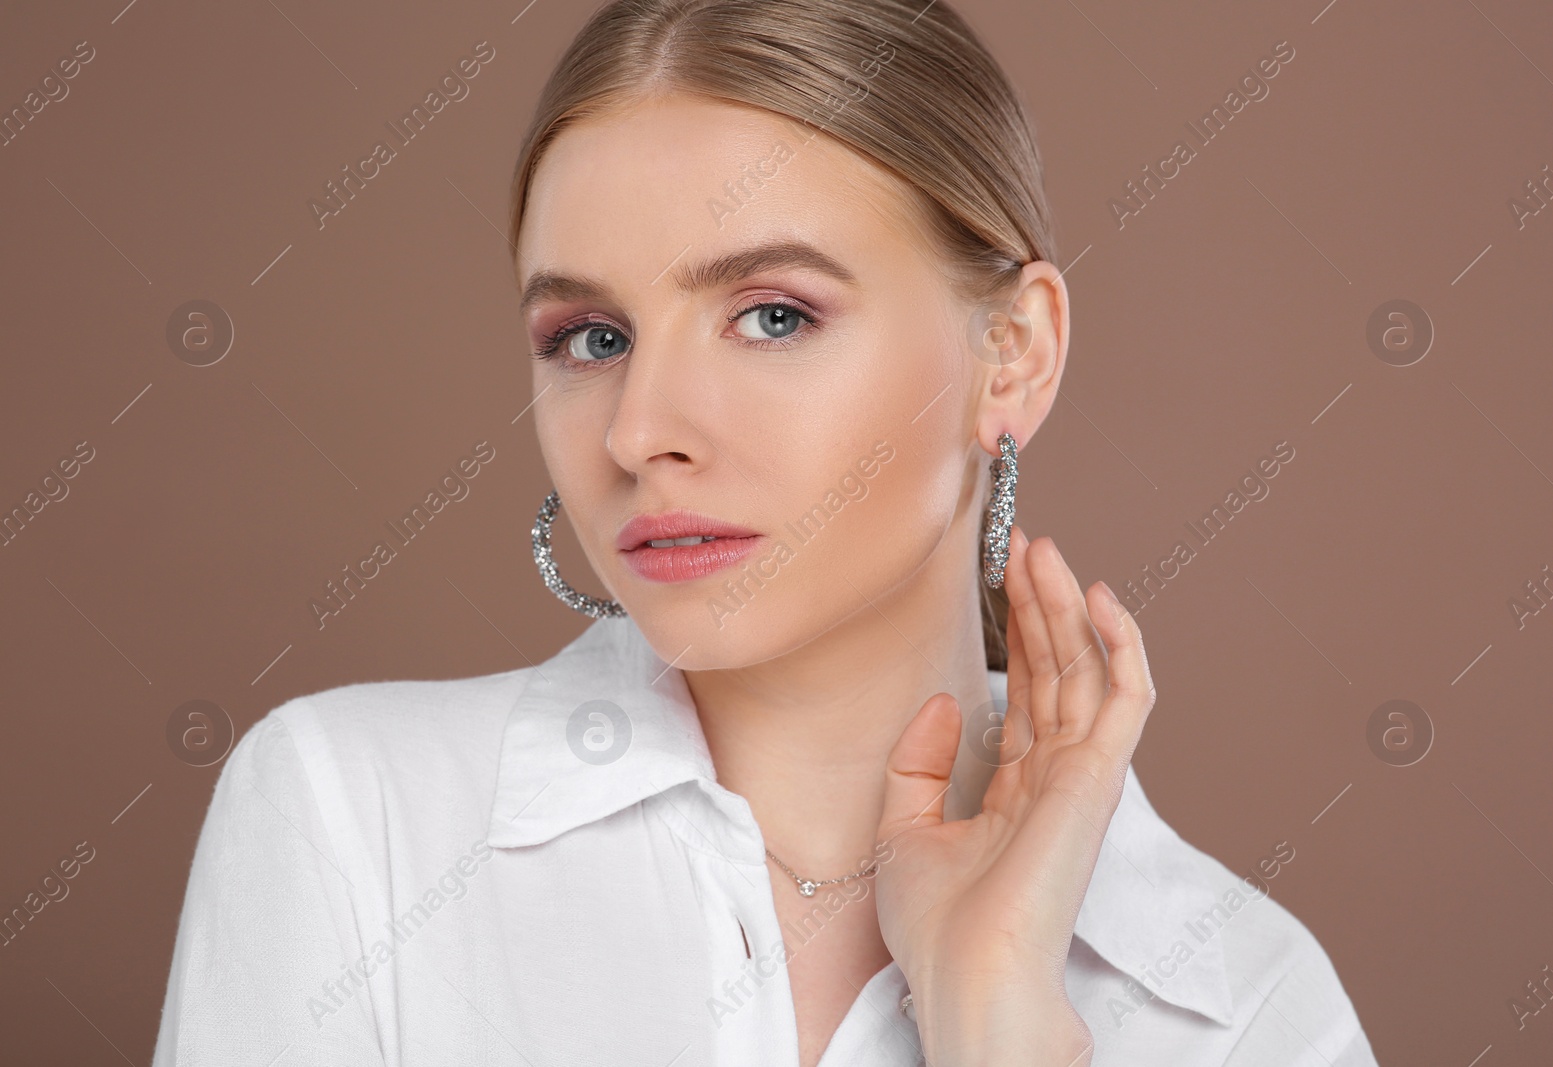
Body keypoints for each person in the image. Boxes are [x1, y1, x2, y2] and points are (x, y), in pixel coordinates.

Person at [153, 1, 1379, 1063]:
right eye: (591, 337)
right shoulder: (356, 822)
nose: (640, 429)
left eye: (773, 316)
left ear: (1011, 353)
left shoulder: (1243, 1006)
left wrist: (999, 1027)